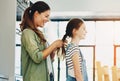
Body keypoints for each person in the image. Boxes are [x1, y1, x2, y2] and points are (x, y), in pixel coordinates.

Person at [20, 1, 63, 81]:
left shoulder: (39, 34)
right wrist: (53, 45)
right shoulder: (27, 33)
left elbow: (45, 60)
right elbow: (37, 57)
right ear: (36, 14)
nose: (47, 20)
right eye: (46, 16)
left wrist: (52, 52)